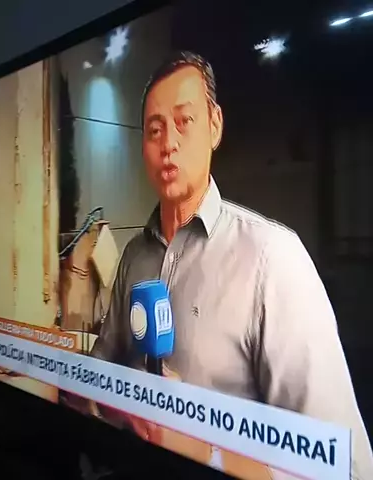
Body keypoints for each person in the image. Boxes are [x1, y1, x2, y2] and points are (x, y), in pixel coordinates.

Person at [89, 51, 373, 479]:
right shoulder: (133, 257)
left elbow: (343, 466)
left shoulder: (273, 258)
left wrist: (203, 448)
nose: (168, 143)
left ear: (215, 125)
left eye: (184, 122)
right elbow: (101, 375)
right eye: (155, 129)